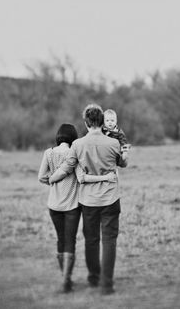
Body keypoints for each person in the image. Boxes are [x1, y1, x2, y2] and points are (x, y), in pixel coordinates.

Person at [49, 104, 128, 295]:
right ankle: (106, 285)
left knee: (91, 240)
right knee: (109, 241)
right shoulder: (113, 143)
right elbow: (123, 163)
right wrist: (125, 154)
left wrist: (50, 178)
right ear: (102, 122)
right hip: (110, 198)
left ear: (86, 122)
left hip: (88, 201)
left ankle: (94, 279)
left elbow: (67, 168)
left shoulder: (77, 145)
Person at [38, 123, 117, 293]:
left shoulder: (48, 153)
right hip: (72, 206)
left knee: (60, 239)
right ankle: (66, 280)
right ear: (73, 137)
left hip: (54, 204)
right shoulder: (74, 151)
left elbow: (41, 177)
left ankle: (65, 278)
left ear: (58, 136)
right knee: (70, 240)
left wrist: (52, 182)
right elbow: (81, 177)